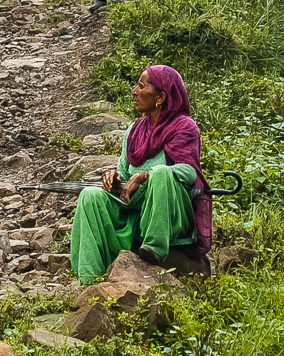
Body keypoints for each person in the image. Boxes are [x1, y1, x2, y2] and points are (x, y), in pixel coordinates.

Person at [69, 65, 211, 283]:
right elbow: (125, 171)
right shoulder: (134, 130)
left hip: (171, 213)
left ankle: (154, 247)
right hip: (137, 211)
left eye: (141, 86)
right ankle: (89, 279)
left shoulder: (184, 127)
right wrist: (114, 177)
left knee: (162, 173)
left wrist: (146, 175)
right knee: (90, 195)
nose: (134, 91)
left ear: (161, 97)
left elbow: (189, 172)